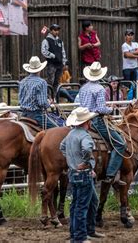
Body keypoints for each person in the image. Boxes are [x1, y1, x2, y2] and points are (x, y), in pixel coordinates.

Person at [60, 107, 105, 242]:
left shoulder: (70, 134)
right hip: (83, 174)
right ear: (87, 122)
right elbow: (86, 149)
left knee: (83, 203)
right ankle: (79, 237)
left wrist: (72, 160)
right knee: (81, 206)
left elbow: (62, 147)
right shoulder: (85, 136)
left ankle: (84, 232)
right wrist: (85, 162)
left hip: (74, 174)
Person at [78, 62, 126, 185]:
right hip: (96, 120)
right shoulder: (99, 89)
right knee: (120, 143)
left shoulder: (83, 88)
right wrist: (111, 109)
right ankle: (110, 175)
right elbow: (100, 109)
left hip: (83, 119)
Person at [19, 56, 61, 129]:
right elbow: (42, 103)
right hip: (36, 115)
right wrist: (49, 103)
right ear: (40, 70)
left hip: (23, 114)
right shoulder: (41, 82)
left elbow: (20, 99)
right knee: (57, 128)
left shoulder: (22, 82)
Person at [41, 24, 67, 90]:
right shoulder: (46, 40)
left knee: (57, 82)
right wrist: (52, 56)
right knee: (50, 81)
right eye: (55, 30)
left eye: (58, 30)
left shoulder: (60, 41)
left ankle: (54, 97)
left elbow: (63, 52)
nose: (57, 32)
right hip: (51, 64)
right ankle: (48, 97)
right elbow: (44, 51)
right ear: (51, 31)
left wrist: (64, 62)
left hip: (60, 64)